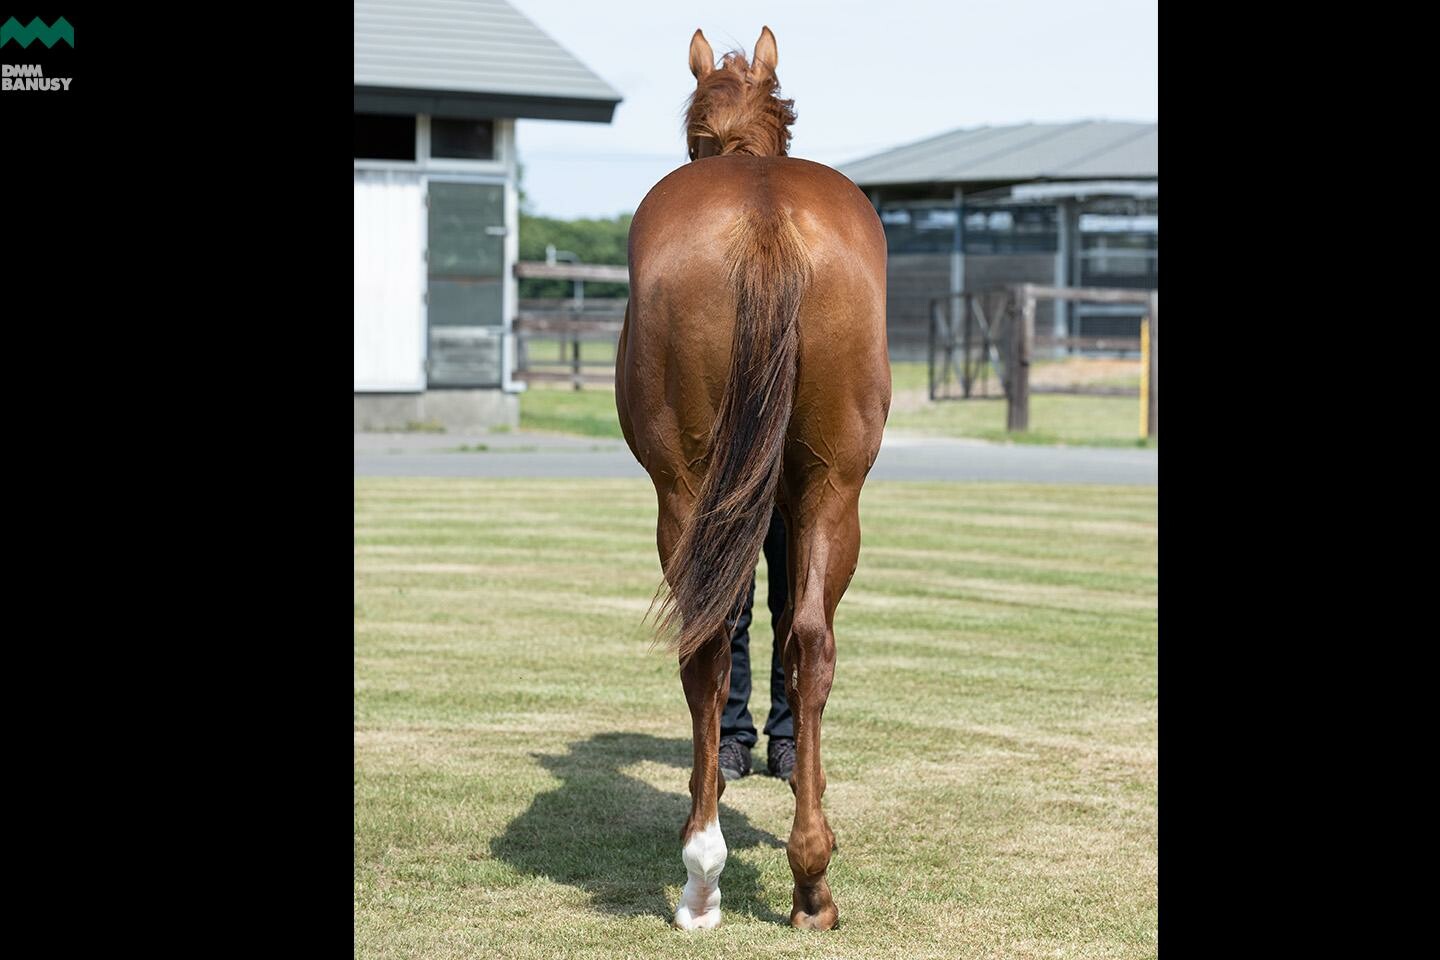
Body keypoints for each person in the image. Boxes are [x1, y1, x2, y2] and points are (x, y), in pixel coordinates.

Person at [717, 507, 796, 781]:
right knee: (731, 615)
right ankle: (733, 734)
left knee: (792, 614)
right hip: (738, 485)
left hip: (791, 479)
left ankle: (786, 736)